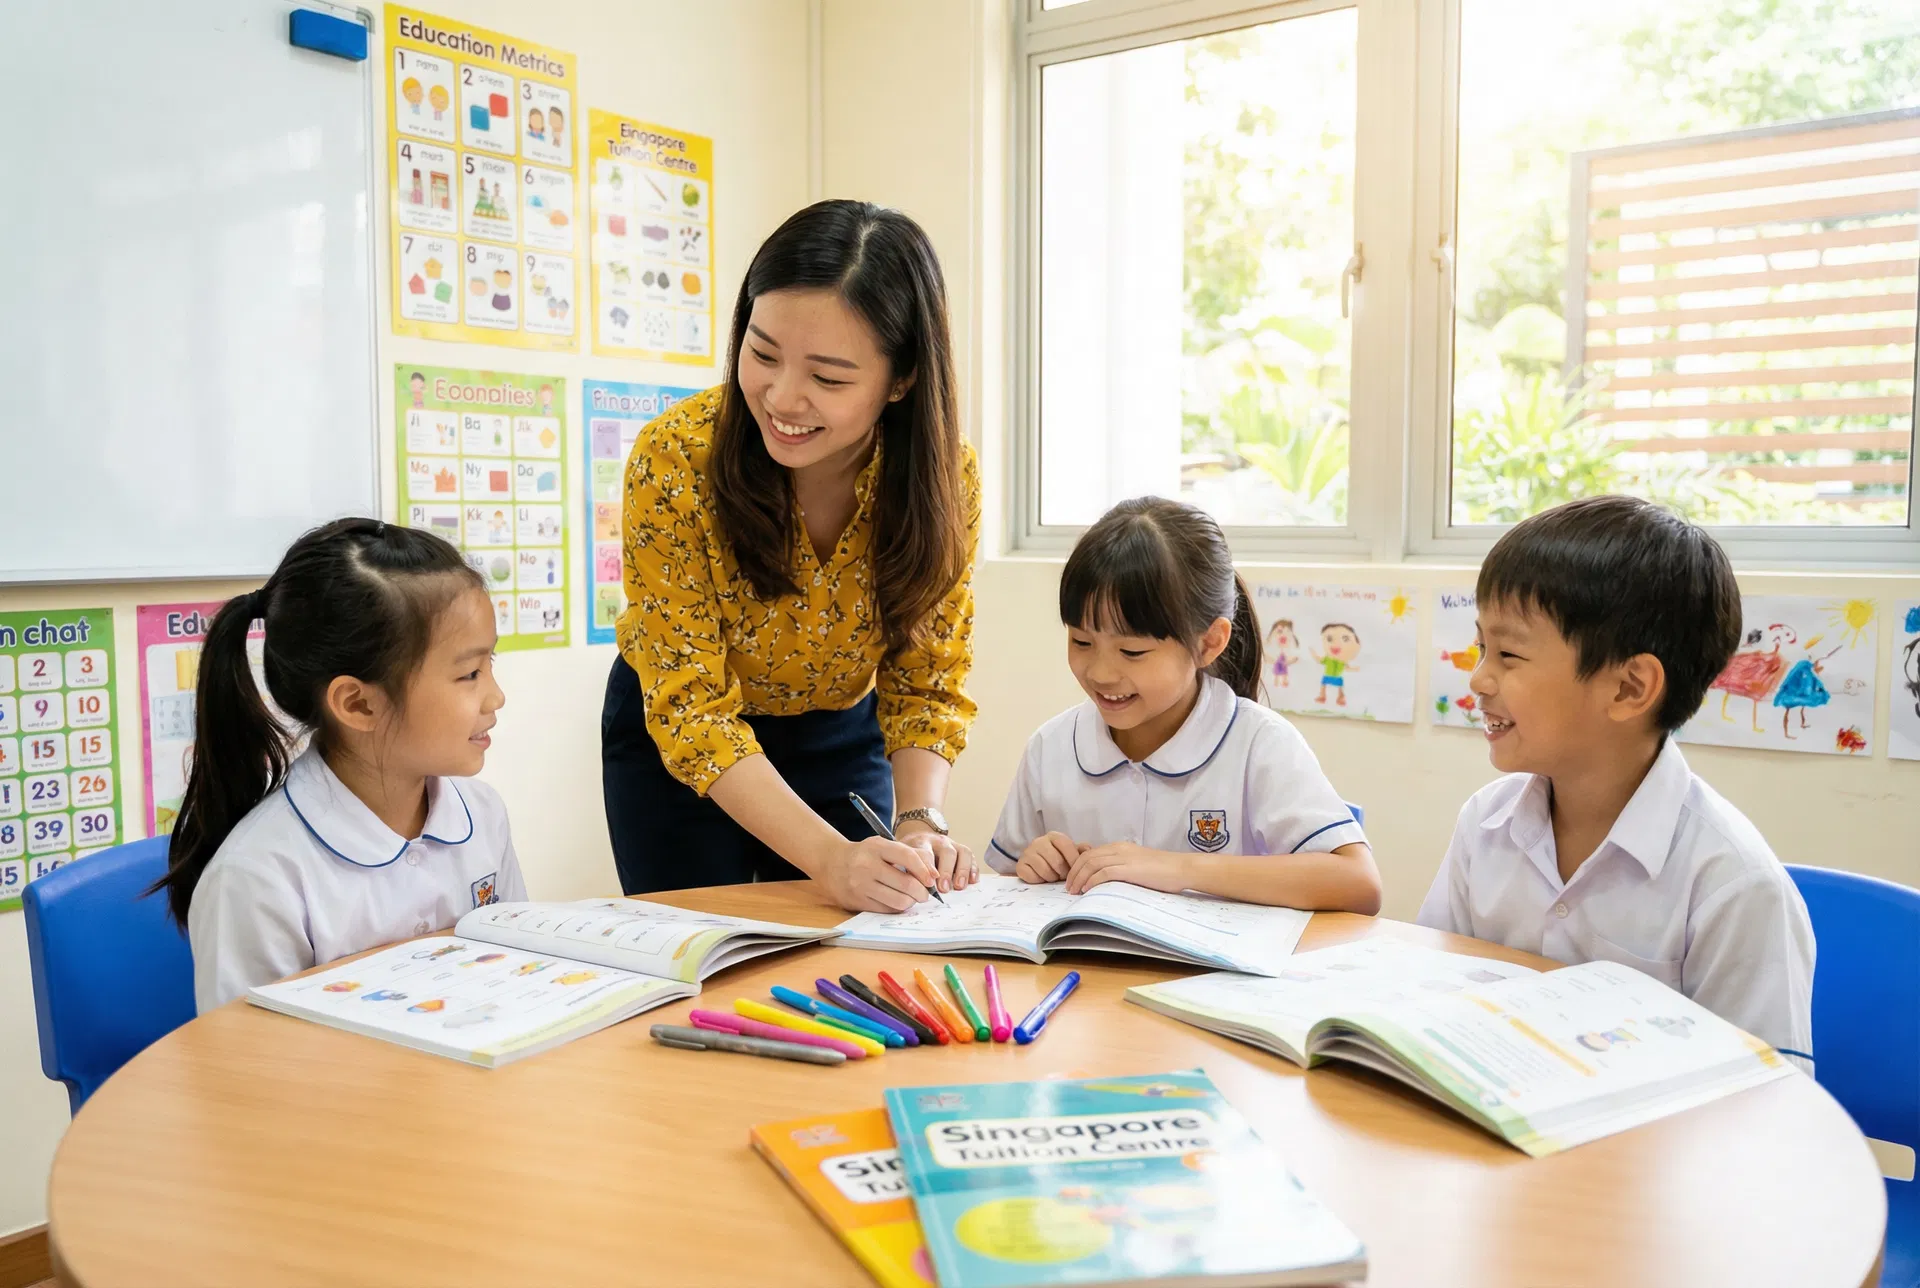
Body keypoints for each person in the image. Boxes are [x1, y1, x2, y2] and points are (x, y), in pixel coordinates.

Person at [603, 200, 980, 912]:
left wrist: (920, 818)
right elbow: (690, 707)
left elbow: (928, 675)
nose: (782, 397)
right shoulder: (675, 457)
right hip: (678, 741)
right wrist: (828, 860)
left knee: (864, 937)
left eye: (829, 378)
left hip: (837, 732)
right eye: (763, 352)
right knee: (701, 950)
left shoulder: (944, 479)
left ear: (900, 380)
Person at [1416, 496, 1815, 1070]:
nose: (1479, 678)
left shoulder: (1733, 885)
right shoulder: (1485, 823)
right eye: (1482, 647)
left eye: (1507, 653)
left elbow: (1763, 1106)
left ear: (1629, 689)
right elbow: (1428, 994)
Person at [153, 519, 523, 1012]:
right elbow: (247, 1073)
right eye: (469, 674)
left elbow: (523, 974)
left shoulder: (483, 816)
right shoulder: (258, 879)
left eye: (490, 664)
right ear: (358, 705)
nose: (495, 696)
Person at [985, 497, 1381, 913]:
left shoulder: (1259, 743)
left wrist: (1179, 869)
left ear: (1209, 643)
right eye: (1081, 642)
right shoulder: (1052, 746)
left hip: (1215, 977)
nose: (1100, 673)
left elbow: (1359, 884)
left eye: (1132, 652)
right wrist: (1033, 868)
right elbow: (1008, 890)